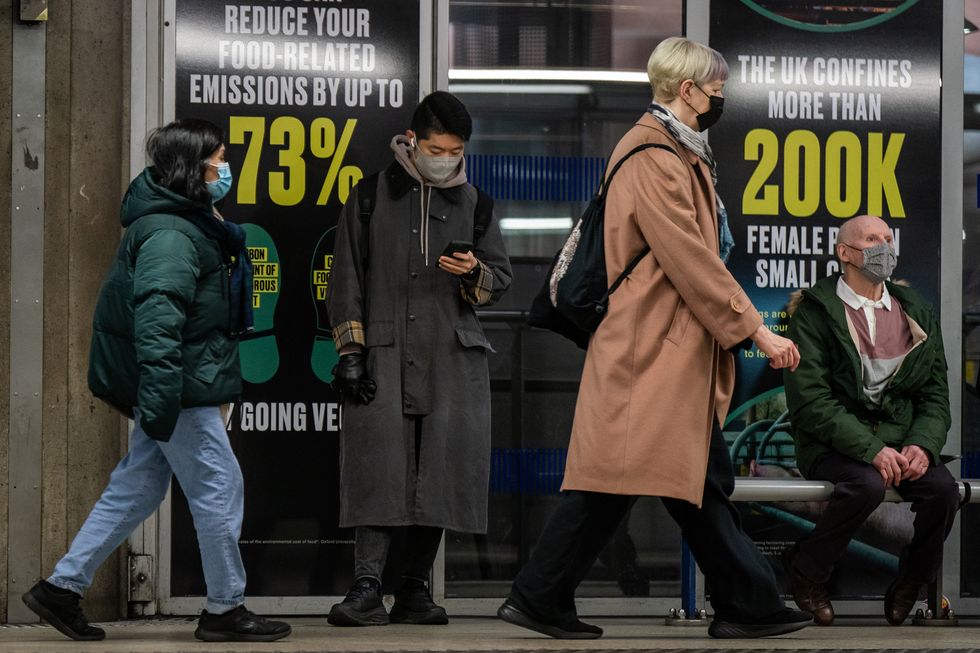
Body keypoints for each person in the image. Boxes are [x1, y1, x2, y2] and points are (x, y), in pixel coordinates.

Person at [496, 36, 811, 640]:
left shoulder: (680, 151)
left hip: (664, 347)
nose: (722, 94)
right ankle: (742, 604)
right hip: (651, 349)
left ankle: (545, 595)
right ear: (686, 89)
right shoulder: (654, 156)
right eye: (715, 85)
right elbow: (691, 259)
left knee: (678, 480)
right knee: (650, 482)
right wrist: (757, 332)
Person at [21, 118, 291, 643]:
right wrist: (164, 398)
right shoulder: (171, 233)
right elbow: (157, 322)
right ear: (193, 167)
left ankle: (62, 586)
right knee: (218, 485)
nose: (225, 169)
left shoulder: (189, 221)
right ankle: (224, 609)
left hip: (180, 382)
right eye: (218, 160)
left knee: (137, 486)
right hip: (183, 386)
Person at [325, 91, 512, 627]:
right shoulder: (368, 197)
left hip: (452, 357)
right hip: (383, 355)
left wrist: (474, 273)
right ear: (412, 141)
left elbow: (500, 282)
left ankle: (414, 589)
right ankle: (365, 589)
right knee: (376, 468)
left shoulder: (477, 204)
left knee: (442, 473)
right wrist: (351, 353)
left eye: (455, 150)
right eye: (436, 147)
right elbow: (346, 282)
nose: (446, 158)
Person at [782, 214, 959, 627]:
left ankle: (912, 580)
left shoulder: (915, 311)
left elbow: (934, 394)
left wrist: (922, 444)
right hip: (832, 445)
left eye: (887, 238)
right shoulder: (814, 312)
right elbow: (810, 401)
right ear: (844, 253)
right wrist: (871, 449)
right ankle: (807, 570)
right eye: (871, 239)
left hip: (901, 441)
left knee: (944, 492)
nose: (884, 247)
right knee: (865, 484)